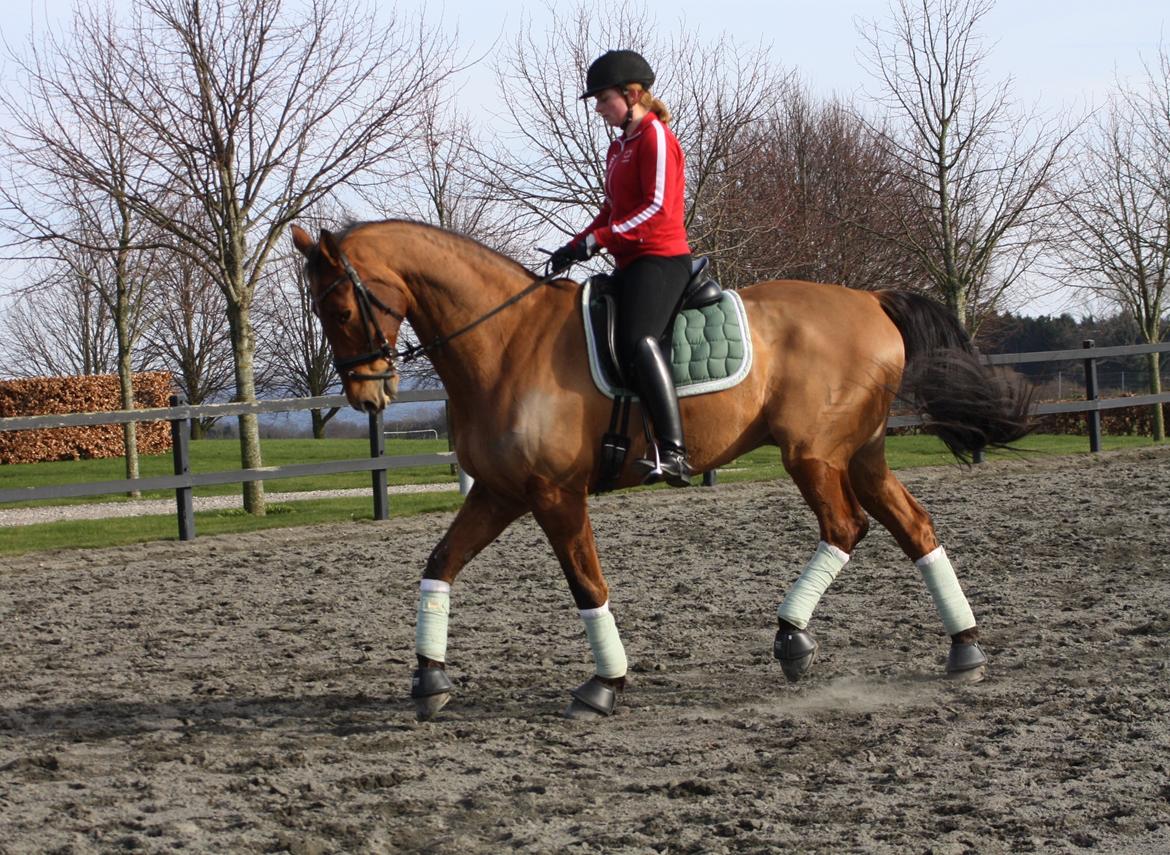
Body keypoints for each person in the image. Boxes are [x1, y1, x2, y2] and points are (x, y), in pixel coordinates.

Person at [550, 49, 694, 487]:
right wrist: (575, 244)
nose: (597, 108)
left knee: (638, 341)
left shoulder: (656, 138)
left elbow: (656, 209)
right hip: (629, 261)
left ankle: (674, 451)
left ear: (632, 95)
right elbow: (611, 210)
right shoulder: (619, 147)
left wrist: (600, 239)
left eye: (603, 98)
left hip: (662, 258)